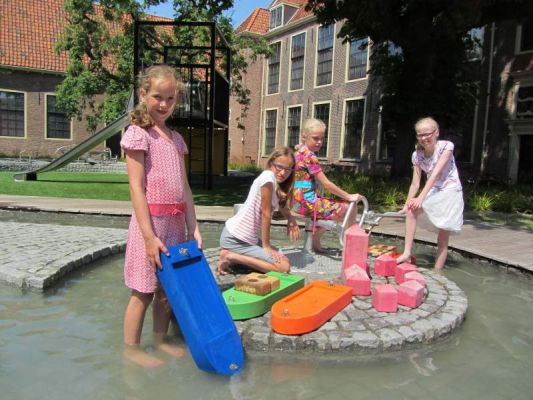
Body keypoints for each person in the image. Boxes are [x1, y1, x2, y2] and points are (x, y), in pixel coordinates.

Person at [120, 65, 202, 367]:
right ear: (144, 95)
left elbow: (185, 188)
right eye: (157, 97)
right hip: (150, 226)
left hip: (176, 226)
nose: (164, 104)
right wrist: (149, 236)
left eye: (170, 98)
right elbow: (136, 187)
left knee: (168, 291)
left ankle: (159, 340)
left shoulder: (176, 139)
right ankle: (131, 349)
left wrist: (193, 227)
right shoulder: (138, 134)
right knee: (143, 290)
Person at [217, 146, 300, 275]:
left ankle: (235, 258)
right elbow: (266, 213)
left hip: (247, 238)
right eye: (279, 167)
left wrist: (291, 219)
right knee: (284, 267)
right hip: (236, 238)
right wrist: (266, 246)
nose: (283, 173)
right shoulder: (268, 177)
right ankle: (230, 256)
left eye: (288, 169)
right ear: (271, 163)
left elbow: (283, 207)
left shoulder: (276, 184)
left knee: (284, 259)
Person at [397, 117, 464, 270]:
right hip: (434, 191)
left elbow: (434, 174)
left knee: (442, 238)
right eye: (420, 135)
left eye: (427, 134)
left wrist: (421, 198)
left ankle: (437, 272)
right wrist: (407, 204)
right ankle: (407, 252)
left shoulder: (446, 147)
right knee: (411, 210)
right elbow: (415, 183)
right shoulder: (417, 155)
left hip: (449, 192)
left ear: (436, 133)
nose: (424, 138)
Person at [292, 118, 362, 253]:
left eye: (322, 138)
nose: (319, 142)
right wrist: (349, 196)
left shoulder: (298, 153)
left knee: (330, 206)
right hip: (308, 204)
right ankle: (350, 248)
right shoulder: (310, 156)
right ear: (303, 136)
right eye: (315, 138)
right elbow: (326, 183)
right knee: (349, 207)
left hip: (297, 203)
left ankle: (315, 242)